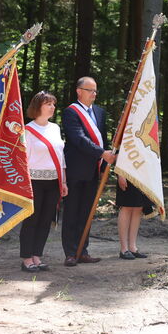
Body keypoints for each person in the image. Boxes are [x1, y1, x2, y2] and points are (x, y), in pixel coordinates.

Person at [61, 77, 116, 267]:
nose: (94, 94)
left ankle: (82, 250)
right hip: (76, 169)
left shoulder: (99, 113)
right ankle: (70, 252)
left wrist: (103, 164)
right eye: (90, 90)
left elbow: (104, 140)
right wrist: (102, 153)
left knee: (87, 212)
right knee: (72, 212)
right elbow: (79, 139)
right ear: (79, 91)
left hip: (94, 170)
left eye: (95, 91)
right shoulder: (70, 112)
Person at [20, 92, 68, 272]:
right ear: (38, 106)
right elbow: (22, 160)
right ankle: (26, 258)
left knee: (46, 220)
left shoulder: (55, 128)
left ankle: (37, 256)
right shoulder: (27, 130)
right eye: (49, 104)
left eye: (54, 104)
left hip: (54, 181)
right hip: (33, 181)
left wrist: (63, 181)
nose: (52, 107)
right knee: (31, 220)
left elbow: (60, 156)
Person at [116, 172, 153, 260]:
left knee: (139, 207)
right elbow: (119, 157)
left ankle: (132, 248)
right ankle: (124, 249)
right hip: (127, 170)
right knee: (126, 206)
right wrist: (121, 174)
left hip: (143, 172)